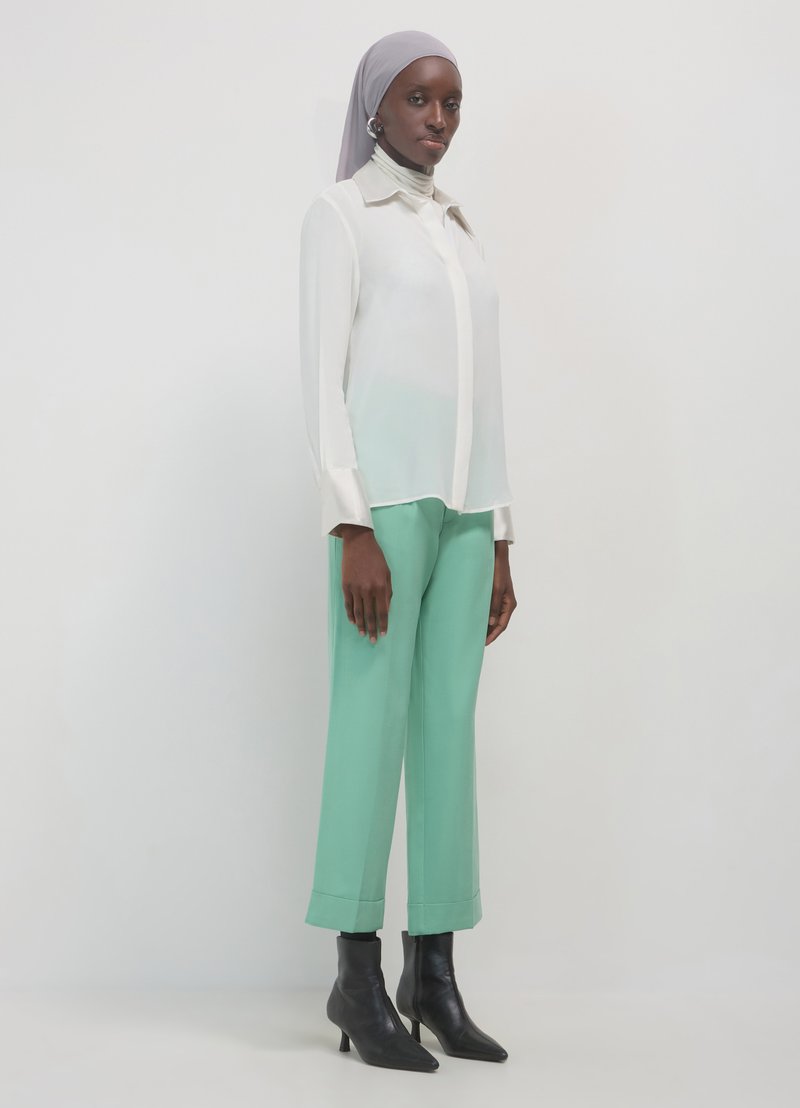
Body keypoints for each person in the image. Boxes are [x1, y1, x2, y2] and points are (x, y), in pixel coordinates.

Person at [298, 29, 516, 1071]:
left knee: (446, 733)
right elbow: (321, 379)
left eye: (452, 102)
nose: (438, 118)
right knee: (367, 726)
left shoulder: (457, 230)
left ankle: (432, 975)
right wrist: (350, 522)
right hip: (382, 510)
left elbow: (488, 395)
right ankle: (355, 971)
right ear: (375, 107)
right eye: (420, 99)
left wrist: (501, 533)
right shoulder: (342, 215)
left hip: (468, 510)